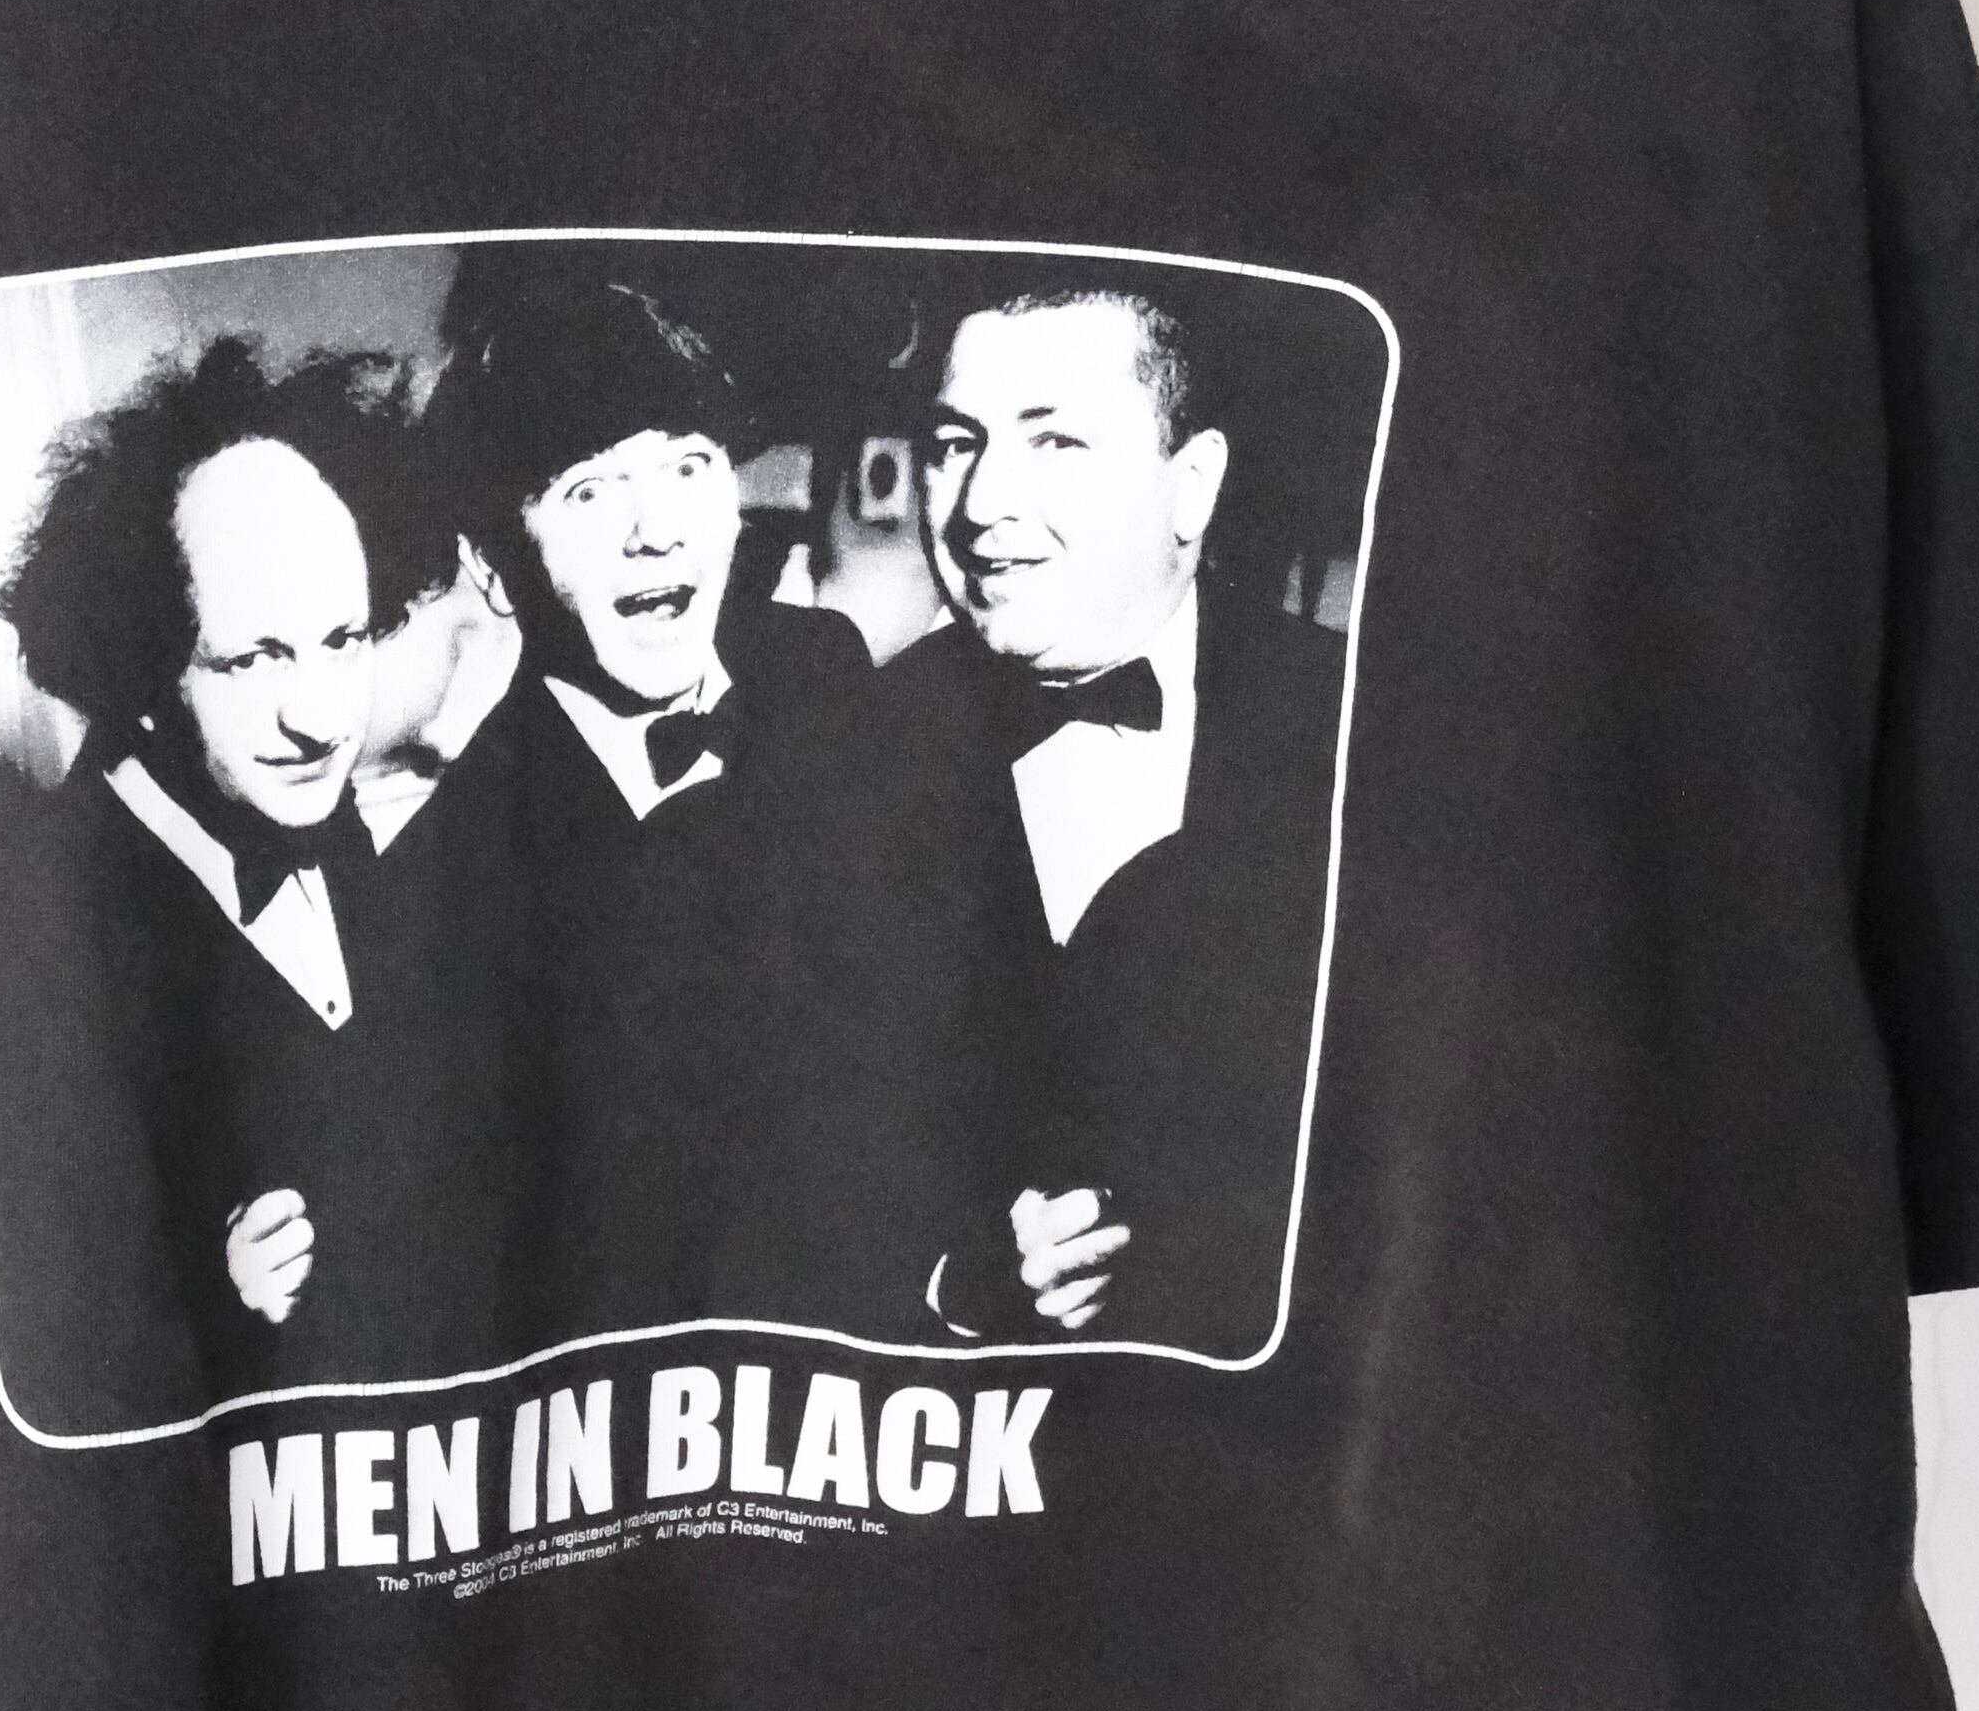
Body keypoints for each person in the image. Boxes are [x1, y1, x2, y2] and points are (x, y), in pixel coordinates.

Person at [0, 337, 455, 1429]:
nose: (321, 718)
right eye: (256, 659)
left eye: (341, 640)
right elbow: (33, 1356)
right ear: (145, 664)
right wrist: (214, 1289)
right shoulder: (43, 942)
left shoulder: (314, 809)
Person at [413, 256, 890, 1348]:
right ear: (491, 563)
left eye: (688, 466)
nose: (655, 529)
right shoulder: (459, 867)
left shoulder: (825, 671)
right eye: (589, 491)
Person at [877, 273, 1347, 1357]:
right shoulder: (836, 751)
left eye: (1055, 442)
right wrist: (956, 1285)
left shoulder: (1359, 725)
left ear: (1193, 487)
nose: (981, 504)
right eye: (955, 444)